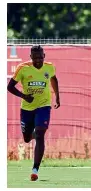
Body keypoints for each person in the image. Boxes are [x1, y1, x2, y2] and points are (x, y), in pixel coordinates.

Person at [7, 45, 61, 181]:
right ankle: (32, 135)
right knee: (26, 138)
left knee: (40, 133)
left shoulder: (49, 67)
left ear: (44, 56)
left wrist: (57, 97)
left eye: (40, 57)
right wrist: (24, 96)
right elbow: (10, 87)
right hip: (27, 108)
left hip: (44, 106)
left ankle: (35, 169)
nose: (38, 60)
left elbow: (54, 79)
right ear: (31, 57)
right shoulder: (23, 68)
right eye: (35, 57)